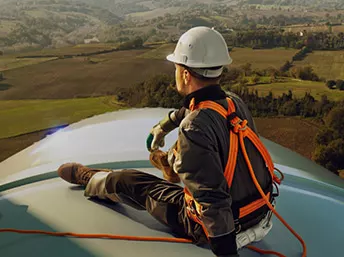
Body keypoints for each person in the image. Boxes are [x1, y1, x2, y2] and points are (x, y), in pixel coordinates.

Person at [57, 27, 278, 257]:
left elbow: (212, 200)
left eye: (176, 67)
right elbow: (193, 108)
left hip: (221, 226)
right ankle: (172, 163)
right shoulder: (234, 103)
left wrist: (227, 252)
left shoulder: (194, 128)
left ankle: (92, 179)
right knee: (190, 158)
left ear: (185, 74)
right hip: (260, 211)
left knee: (130, 181)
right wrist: (164, 126)